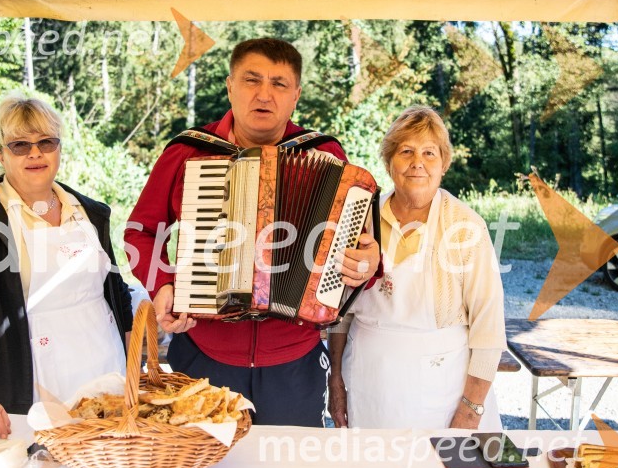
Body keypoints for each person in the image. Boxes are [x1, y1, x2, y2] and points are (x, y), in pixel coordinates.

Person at [124, 38, 380, 427]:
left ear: (296, 95)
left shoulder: (325, 154)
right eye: (251, 80)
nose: (264, 94)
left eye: (279, 84)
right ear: (230, 86)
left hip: (294, 359)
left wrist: (367, 265)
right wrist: (162, 285)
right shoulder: (188, 152)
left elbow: (363, 252)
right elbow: (140, 232)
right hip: (203, 354)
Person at [0, 94, 133, 438]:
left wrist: (137, 375)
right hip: (35, 386)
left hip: (108, 374)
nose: (35, 153)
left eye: (46, 142)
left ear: (59, 149)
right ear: (1, 155)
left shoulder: (90, 212)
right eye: (19, 145)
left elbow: (115, 294)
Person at [328, 106, 506, 430]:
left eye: (429, 153)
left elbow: (489, 330)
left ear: (444, 164)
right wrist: (335, 379)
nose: (417, 163)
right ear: (388, 162)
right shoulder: (359, 220)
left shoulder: (467, 226)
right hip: (368, 387)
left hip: (444, 393)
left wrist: (471, 409)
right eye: (405, 151)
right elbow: (340, 312)